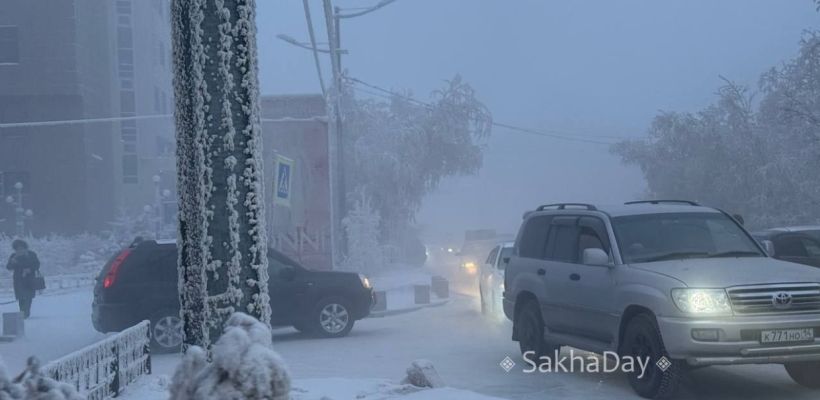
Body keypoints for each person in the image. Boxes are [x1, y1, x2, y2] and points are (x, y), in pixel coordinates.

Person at [5, 239, 40, 318]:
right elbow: (8, 267)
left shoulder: (31, 254)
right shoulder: (14, 256)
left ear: (25, 247)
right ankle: (22, 313)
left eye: (21, 247)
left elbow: (37, 264)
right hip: (18, 280)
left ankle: (26, 312)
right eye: (17, 248)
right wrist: (12, 262)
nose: (19, 249)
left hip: (29, 279)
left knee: (28, 297)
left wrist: (30, 269)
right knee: (21, 297)